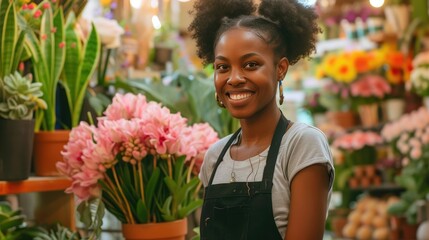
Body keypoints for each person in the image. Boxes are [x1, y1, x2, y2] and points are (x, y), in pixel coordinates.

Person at [188, 0, 334, 239]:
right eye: (223, 67)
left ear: (280, 69)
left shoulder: (301, 145)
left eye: (251, 65)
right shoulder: (215, 157)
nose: (234, 78)